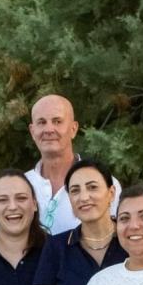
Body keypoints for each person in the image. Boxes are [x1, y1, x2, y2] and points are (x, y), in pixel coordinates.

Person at [25, 94, 121, 234]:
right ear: (32, 132)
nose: (49, 129)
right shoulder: (21, 186)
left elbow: (120, 241)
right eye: (41, 122)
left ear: (73, 129)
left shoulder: (104, 184)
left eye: (57, 121)